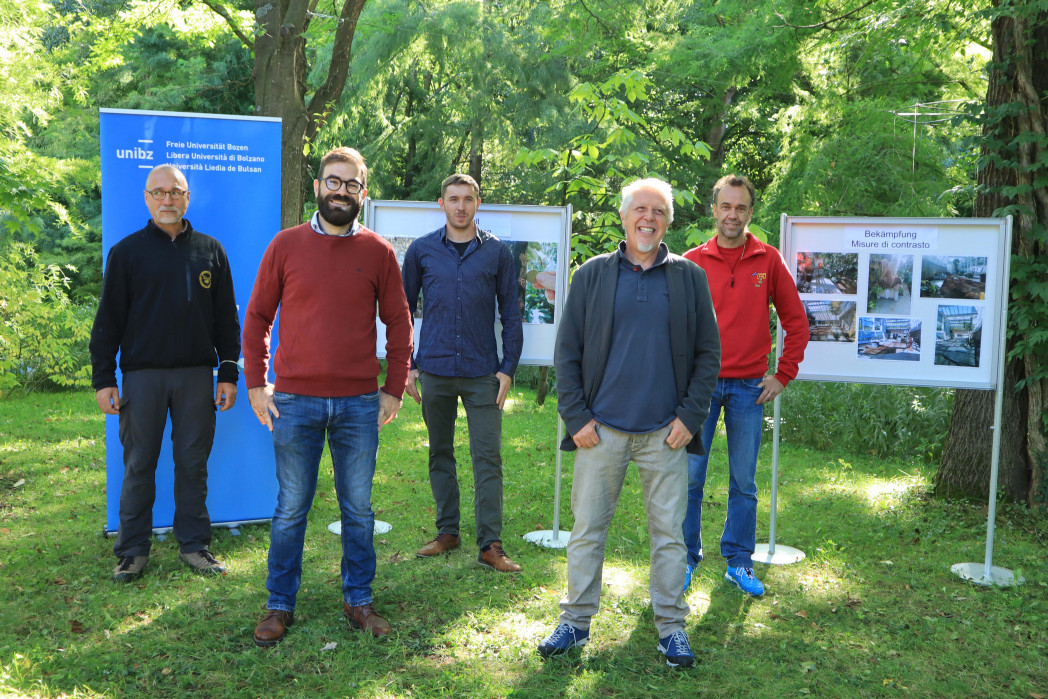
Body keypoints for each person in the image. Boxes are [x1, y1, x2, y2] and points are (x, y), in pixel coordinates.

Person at [538, 178, 720, 669]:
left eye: (658, 211)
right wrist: (576, 418)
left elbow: (708, 356)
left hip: (666, 433)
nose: (648, 218)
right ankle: (575, 623)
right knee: (587, 532)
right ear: (623, 217)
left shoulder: (689, 278)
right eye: (640, 209)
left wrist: (690, 417)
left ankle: (671, 628)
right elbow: (567, 352)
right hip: (601, 432)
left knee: (670, 536)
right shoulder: (592, 275)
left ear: (668, 221)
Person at [243, 147, 413, 646]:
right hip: (294, 401)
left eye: (351, 184)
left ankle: (358, 599)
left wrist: (394, 388)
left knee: (358, 508)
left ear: (363, 192)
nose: (341, 191)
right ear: (317, 186)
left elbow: (399, 324)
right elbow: (256, 317)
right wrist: (256, 383)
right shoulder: (285, 245)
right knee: (291, 507)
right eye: (333, 182)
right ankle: (279, 604)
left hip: (359, 404)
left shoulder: (379, 252)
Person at [90, 163, 241, 582]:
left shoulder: (211, 251)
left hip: (197, 377)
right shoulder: (126, 253)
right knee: (139, 464)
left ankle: (194, 546)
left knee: (193, 464)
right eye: (158, 192)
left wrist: (228, 373)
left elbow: (227, 322)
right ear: (146, 198)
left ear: (187, 197)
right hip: (142, 378)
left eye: (175, 192)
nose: (167, 200)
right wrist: (104, 378)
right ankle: (132, 550)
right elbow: (108, 323)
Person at [681, 174, 809, 597]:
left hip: (750, 388)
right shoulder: (692, 261)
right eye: (726, 206)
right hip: (700, 386)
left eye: (741, 208)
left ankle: (738, 560)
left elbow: (796, 321)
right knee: (690, 477)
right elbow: (670, 326)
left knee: (743, 481)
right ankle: (685, 555)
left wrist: (783, 373)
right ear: (714, 210)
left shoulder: (768, 259)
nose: (732, 214)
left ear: (750, 213)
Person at [402, 174, 525, 572]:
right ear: (441, 203)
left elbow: (511, 314)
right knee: (440, 453)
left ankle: (490, 544)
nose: (460, 206)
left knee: (487, 457)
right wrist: (407, 364)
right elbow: (402, 312)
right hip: (434, 369)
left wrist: (508, 369)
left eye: (467, 199)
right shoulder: (421, 251)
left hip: (481, 373)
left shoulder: (497, 253)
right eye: (453, 199)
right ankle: (447, 532)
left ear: (477, 203)